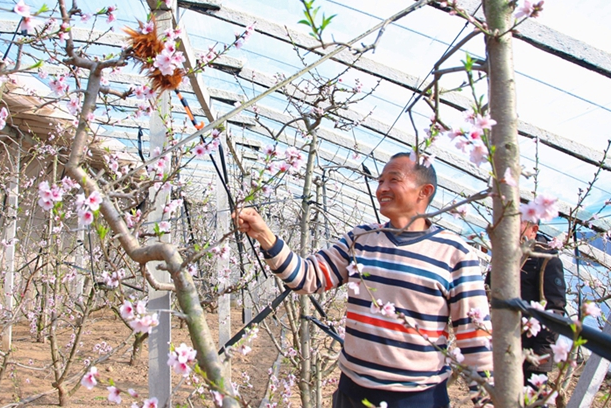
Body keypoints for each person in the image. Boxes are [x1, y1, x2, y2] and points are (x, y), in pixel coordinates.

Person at [235, 152, 493, 408]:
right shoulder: (361, 239)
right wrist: (265, 235)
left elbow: (475, 336)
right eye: (380, 181)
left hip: (416, 400)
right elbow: (308, 277)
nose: (382, 188)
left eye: (393, 179)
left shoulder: (455, 253)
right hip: (352, 393)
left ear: (424, 192)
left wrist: (487, 400)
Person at [519, 220, 567, 385]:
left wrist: (540, 356)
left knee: (531, 397)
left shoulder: (547, 259)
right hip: (503, 349)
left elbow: (555, 309)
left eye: (517, 222)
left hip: (532, 354)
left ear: (534, 229)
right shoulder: (503, 258)